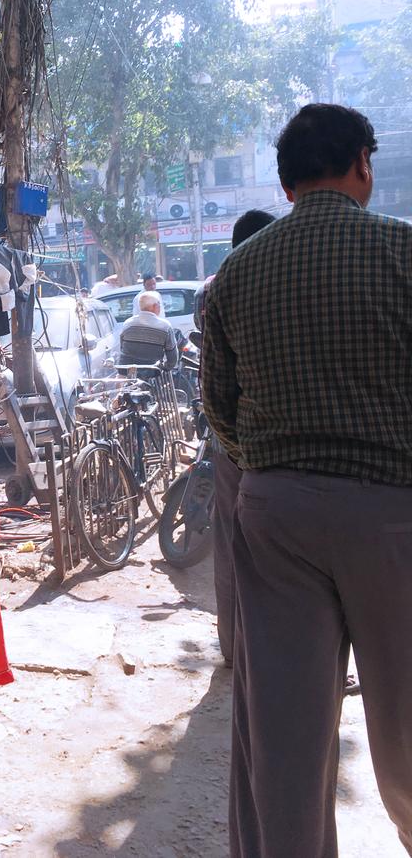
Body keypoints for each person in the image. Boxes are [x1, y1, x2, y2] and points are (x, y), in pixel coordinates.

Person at [202, 103, 412, 858]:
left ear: (288, 185)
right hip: (396, 513)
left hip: (277, 513)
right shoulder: (404, 251)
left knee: (283, 737)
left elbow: (219, 409)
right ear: (362, 163)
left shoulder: (237, 273)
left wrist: (272, 464)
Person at [202, 210, 275, 666]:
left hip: (231, 442)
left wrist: (234, 447)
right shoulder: (270, 284)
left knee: (230, 547)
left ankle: (234, 649)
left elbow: (214, 390)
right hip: (262, 447)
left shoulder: (216, 288)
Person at [119, 292, 178, 368]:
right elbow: (172, 357)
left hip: (126, 371)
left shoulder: (127, 324)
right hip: (152, 372)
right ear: (155, 306)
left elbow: (122, 348)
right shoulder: (165, 326)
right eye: (159, 304)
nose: (160, 307)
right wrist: (167, 367)